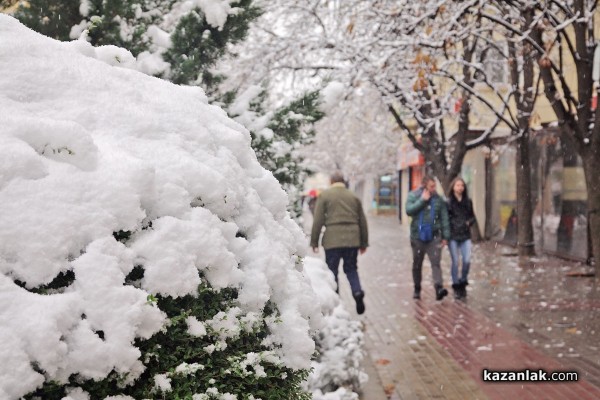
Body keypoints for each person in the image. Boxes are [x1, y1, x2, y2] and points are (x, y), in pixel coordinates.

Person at [310, 172, 368, 314]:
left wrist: (314, 241)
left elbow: (318, 220)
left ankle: (336, 303)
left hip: (332, 239)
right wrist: (364, 243)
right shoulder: (353, 196)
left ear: (331, 181)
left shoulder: (325, 195)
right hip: (352, 240)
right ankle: (357, 291)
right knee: (351, 269)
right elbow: (362, 221)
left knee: (332, 271)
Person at [405, 175, 450, 300]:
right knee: (417, 264)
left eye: (434, 186)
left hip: (434, 237)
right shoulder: (413, 196)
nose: (434, 188)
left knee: (436, 263)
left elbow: (444, 217)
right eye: (431, 186)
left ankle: (439, 288)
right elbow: (409, 210)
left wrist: (445, 236)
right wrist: (422, 201)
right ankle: (417, 288)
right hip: (417, 236)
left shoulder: (438, 199)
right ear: (424, 185)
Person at [446, 177, 476, 299]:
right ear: (453, 187)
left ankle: (463, 280)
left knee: (467, 260)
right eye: (458, 185)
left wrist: (469, 222)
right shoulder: (448, 202)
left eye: (462, 185)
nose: (460, 188)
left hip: (465, 235)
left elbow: (472, 217)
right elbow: (447, 218)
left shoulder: (468, 202)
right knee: (455, 261)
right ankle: (456, 283)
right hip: (453, 236)